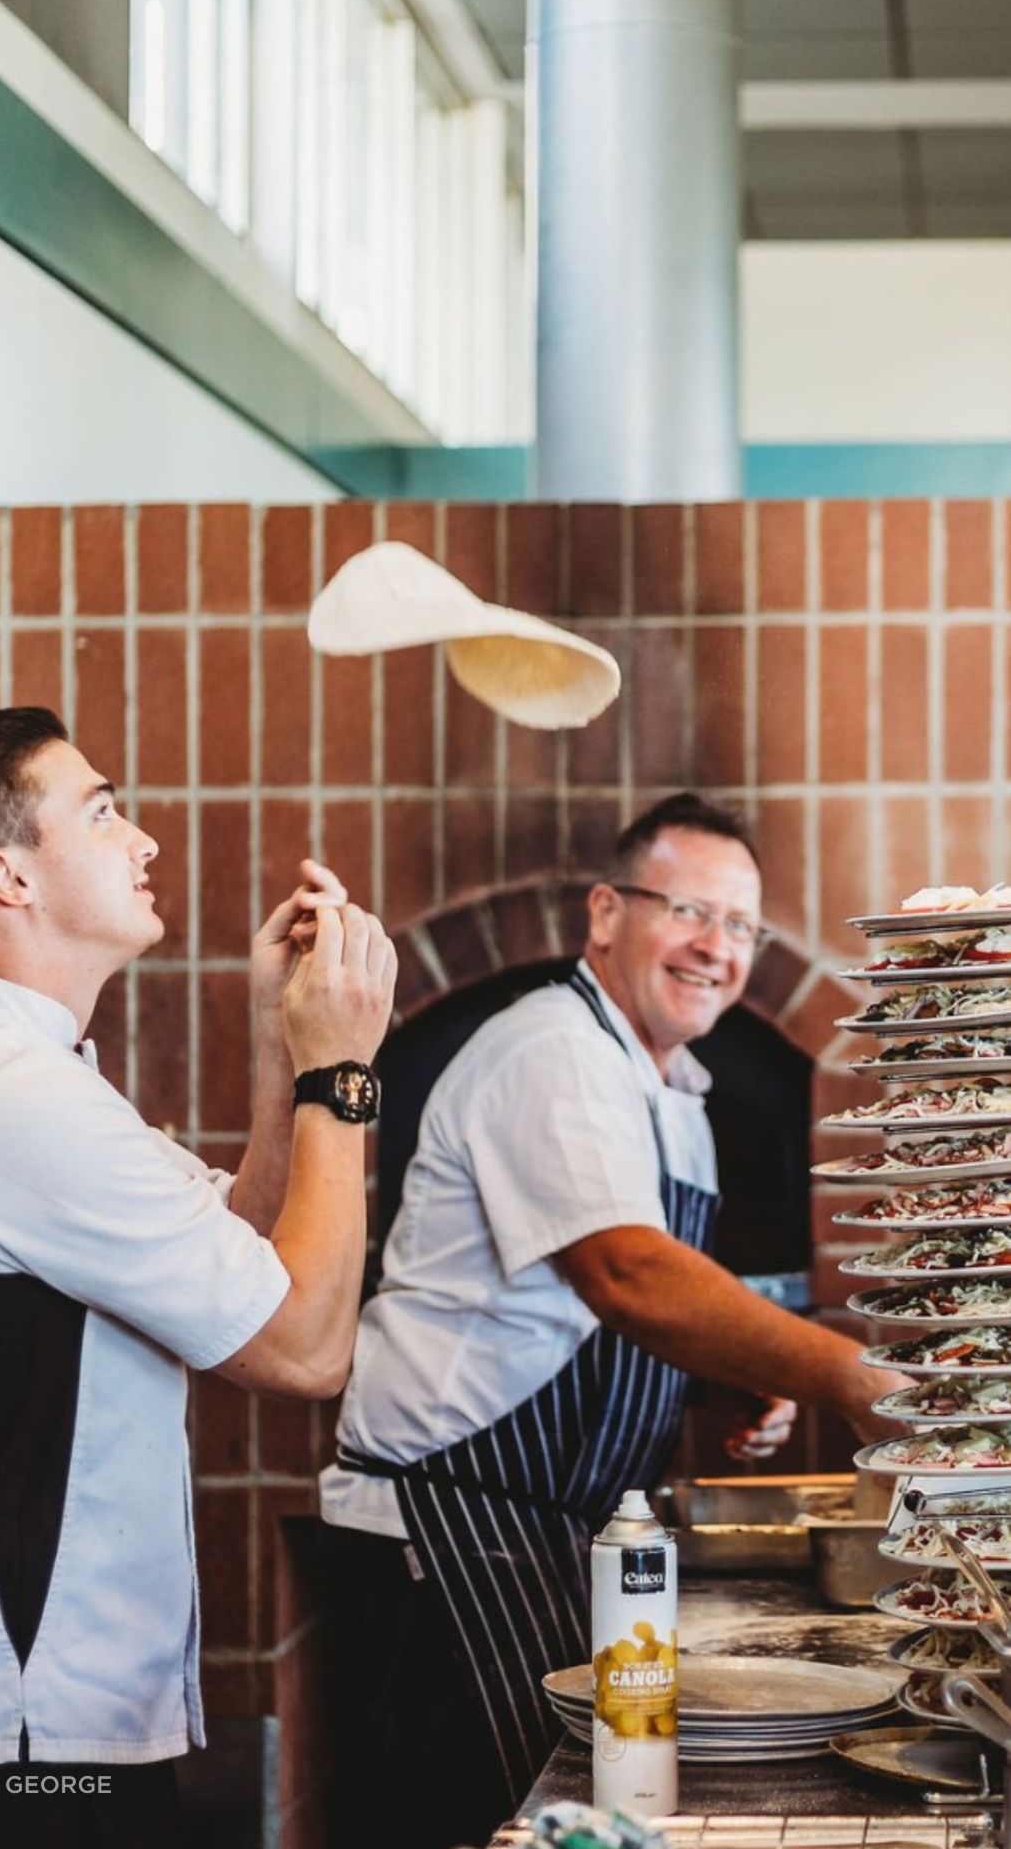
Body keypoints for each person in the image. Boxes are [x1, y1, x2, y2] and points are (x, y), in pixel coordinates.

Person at [0, 706, 395, 1849]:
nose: (142, 840)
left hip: (20, 1752)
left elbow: (234, 1250)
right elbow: (301, 1347)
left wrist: (279, 1035)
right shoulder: (11, 1103)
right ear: (8, 875)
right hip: (0, 1764)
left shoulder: (24, 1077)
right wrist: (340, 1072)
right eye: (100, 812)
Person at [319, 792, 904, 1849]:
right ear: (603, 913)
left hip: (544, 1525)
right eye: (687, 909)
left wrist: (729, 1369)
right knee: (468, 1818)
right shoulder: (555, 1049)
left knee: (565, 1819)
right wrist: (848, 1375)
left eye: (739, 926)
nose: (715, 948)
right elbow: (626, 1271)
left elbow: (610, 1294)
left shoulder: (671, 1083)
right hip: (448, 1530)